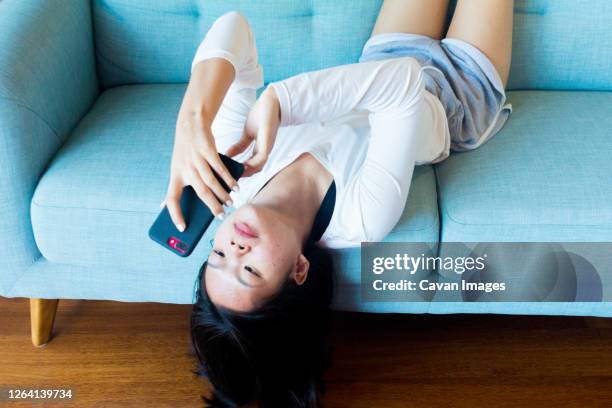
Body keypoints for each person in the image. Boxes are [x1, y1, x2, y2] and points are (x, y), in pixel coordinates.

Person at [166, 1, 514, 406]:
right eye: (249, 269)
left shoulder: (232, 168)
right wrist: (280, 101)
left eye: (219, 254)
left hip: (383, 56)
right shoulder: (363, 217)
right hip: (459, 95)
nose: (234, 246)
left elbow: (233, 27)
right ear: (299, 269)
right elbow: (404, 84)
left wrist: (192, 120)